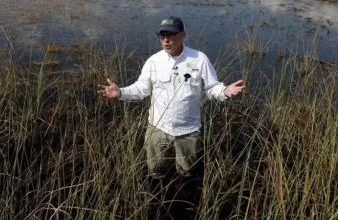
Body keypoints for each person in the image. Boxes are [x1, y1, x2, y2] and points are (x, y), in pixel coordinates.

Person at [98, 16, 245, 218]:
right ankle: (157, 206)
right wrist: (120, 92)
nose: (166, 40)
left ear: (183, 35)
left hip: (189, 131)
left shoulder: (199, 59)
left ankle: (186, 208)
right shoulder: (154, 61)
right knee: (156, 173)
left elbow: (212, 88)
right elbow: (141, 89)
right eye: (163, 36)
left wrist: (224, 91)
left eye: (171, 35)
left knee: (188, 173)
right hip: (158, 129)